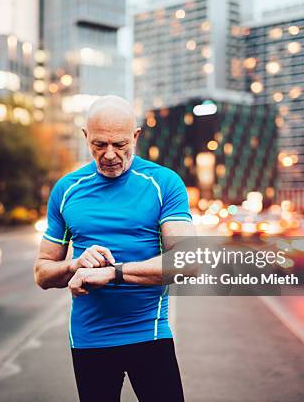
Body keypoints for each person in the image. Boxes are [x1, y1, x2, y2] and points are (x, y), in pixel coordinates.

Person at [34, 95, 196, 401]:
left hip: (149, 333)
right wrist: (74, 266)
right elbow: (42, 273)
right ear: (86, 137)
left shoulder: (164, 183)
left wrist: (113, 273)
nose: (109, 155)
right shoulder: (66, 190)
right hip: (89, 339)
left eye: (120, 144)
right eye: (99, 144)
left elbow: (187, 263)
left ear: (135, 136)